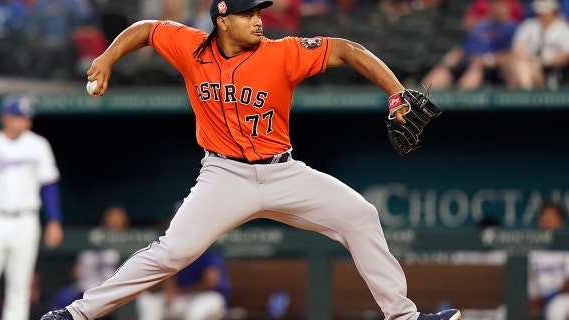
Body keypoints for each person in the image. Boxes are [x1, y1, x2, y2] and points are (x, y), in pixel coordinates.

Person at [41, 1, 461, 319]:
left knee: (361, 215)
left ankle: (403, 317)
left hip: (283, 172)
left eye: (259, 11)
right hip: (224, 175)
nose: (259, 19)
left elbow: (347, 50)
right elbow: (147, 28)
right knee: (172, 252)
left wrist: (395, 92)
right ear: (222, 20)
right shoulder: (191, 47)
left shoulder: (281, 53)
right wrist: (108, 56)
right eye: (247, 13)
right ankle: (76, 314)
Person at [0, 94, 64, 320]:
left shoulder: (38, 145)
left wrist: (55, 220)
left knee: (20, 288)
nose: (23, 122)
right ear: (5, 117)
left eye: (26, 118)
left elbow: (49, 186)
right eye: (18, 117)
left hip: (27, 219)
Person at [135, 200, 231, 320]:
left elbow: (210, 283)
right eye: (175, 219)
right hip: (183, 299)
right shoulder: (169, 246)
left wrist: (178, 292)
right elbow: (168, 274)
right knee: (148, 302)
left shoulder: (209, 242)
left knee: (195, 313)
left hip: (209, 297)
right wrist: (169, 289)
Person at [421, 0, 518, 90]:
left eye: (500, 4)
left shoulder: (512, 28)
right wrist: (448, 61)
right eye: (494, 4)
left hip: (487, 68)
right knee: (438, 75)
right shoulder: (480, 26)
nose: (496, 7)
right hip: (466, 62)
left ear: (507, 7)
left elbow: (510, 55)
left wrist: (485, 60)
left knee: (472, 76)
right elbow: (462, 48)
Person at [503, 0, 569, 90]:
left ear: (554, 11)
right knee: (516, 63)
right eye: (540, 12)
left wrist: (542, 63)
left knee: (521, 68)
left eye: (545, 12)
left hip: (550, 69)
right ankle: (527, 94)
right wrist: (532, 64)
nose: (542, 15)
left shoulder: (563, 29)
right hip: (528, 65)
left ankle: (526, 95)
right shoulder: (528, 25)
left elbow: (564, 56)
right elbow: (517, 48)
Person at [529, 201, 569, 320]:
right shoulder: (532, 248)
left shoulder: (566, 246)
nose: (546, 218)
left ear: (561, 221)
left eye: (551, 215)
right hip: (533, 300)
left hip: (561, 298)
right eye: (543, 215)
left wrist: (545, 299)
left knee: (558, 311)